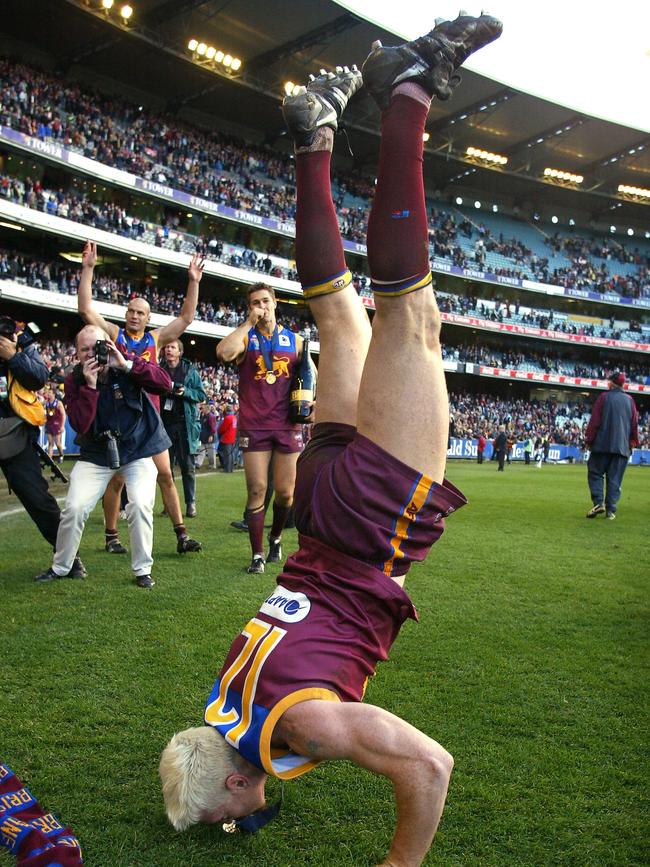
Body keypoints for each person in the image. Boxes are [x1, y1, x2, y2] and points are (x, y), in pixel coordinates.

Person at [160, 13, 501, 865]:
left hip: (364, 527)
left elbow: (430, 764)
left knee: (409, 321)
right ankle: (315, 133)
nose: (247, 809)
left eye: (230, 811)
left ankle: (410, 92)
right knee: (341, 318)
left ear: (236, 782)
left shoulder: (298, 726)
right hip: (314, 507)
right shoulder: (223, 702)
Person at [77, 241, 202, 554]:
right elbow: (85, 310)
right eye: (131, 311)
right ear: (126, 313)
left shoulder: (156, 339)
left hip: (150, 419)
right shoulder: (114, 335)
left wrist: (193, 282)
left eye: (140, 312)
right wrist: (88, 269)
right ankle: (110, 535)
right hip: (123, 419)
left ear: (148, 317)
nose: (134, 316)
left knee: (165, 475)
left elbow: (186, 318)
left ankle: (181, 535)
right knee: (117, 480)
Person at [34, 325, 172, 588]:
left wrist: (128, 365)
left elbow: (163, 383)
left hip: (136, 448)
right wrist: (91, 387)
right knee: (74, 507)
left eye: (96, 347)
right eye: (84, 349)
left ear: (108, 344)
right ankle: (61, 566)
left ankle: (143, 569)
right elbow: (81, 424)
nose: (91, 354)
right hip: (96, 452)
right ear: (76, 353)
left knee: (141, 504)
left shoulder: (126, 362)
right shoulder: (75, 379)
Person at [216, 283, 305, 574]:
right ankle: (257, 554)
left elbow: (312, 378)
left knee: (286, 493)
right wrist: (248, 323)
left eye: (265, 301)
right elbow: (223, 352)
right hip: (254, 426)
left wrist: (313, 403)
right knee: (257, 489)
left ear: (275, 302)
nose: (261, 307)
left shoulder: (296, 341)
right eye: (255, 302)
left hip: (287, 424)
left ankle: (276, 536)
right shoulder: (245, 339)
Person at [0, 316, 85, 577]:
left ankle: (68, 559)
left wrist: (13, 356)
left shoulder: (24, 349)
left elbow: (38, 378)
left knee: (38, 499)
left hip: (13, 434)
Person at [160, 339, 206, 518]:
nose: (169, 350)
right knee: (165, 469)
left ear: (180, 352)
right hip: (164, 425)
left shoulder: (190, 371)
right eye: (167, 347)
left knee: (188, 467)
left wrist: (185, 392)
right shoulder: (159, 368)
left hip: (185, 425)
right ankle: (167, 505)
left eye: (173, 347)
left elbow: (201, 395)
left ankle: (190, 503)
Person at [584, 371, 638, 519]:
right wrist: (633, 442)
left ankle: (598, 502)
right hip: (621, 447)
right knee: (615, 480)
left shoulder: (604, 398)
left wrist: (589, 440)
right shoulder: (630, 400)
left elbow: (594, 421)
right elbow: (634, 424)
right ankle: (610, 510)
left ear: (611, 383)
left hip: (602, 444)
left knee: (595, 473)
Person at [44, 386, 66, 463]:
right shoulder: (46, 403)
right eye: (48, 393)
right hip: (49, 424)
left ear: (54, 394)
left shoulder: (58, 403)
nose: (48, 394)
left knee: (57, 443)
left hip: (56, 424)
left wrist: (62, 425)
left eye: (50, 393)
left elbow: (63, 414)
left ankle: (61, 455)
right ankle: (50, 459)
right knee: (50, 443)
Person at [195, 401, 218, 470]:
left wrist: (211, 435)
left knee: (211, 452)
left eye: (203, 409)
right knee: (201, 450)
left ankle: (212, 465)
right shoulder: (204, 416)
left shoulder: (211, 416)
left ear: (207, 409)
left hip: (209, 437)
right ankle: (198, 463)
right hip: (203, 436)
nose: (202, 410)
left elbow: (213, 427)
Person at [217, 404, 238, 473]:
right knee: (231, 454)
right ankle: (231, 468)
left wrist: (219, 431)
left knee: (227, 454)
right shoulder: (234, 417)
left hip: (227, 438)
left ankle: (227, 469)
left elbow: (223, 428)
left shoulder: (227, 418)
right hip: (233, 437)